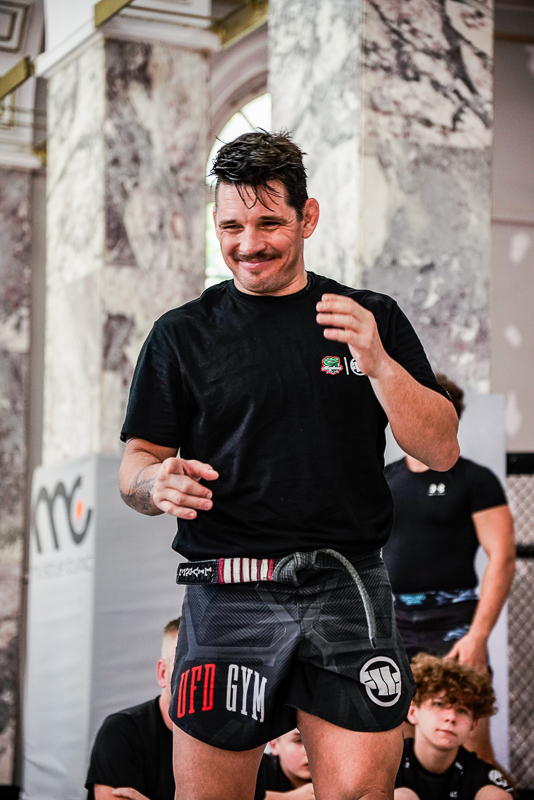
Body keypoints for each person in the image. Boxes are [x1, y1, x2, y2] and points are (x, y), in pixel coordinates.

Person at [118, 130, 459, 800]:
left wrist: (380, 364)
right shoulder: (180, 334)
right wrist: (154, 483)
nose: (249, 244)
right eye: (232, 227)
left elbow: (440, 449)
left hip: (347, 585)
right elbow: (137, 467)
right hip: (228, 590)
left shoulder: (369, 318)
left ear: (308, 217)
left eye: (270, 223)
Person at [382, 374, 515, 763]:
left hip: (453, 625)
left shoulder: (475, 480)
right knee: (400, 755)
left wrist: (477, 636)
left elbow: (503, 557)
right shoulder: (384, 480)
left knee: (473, 751)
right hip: (394, 625)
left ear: (450, 417)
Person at [394, 654, 513, 800]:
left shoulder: (477, 772)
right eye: (439, 704)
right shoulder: (389, 765)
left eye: (462, 710)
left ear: (473, 725)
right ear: (412, 712)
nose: (451, 717)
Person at [85, 619, 179, 800]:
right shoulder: (122, 732)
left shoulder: (231, 739)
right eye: (185, 666)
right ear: (163, 673)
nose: (200, 678)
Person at [255, 729, 315, 799]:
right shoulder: (256, 769)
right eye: (298, 740)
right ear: (274, 745)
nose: (312, 753)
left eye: (317, 741)